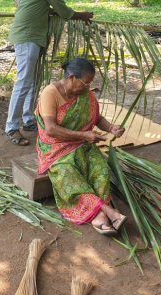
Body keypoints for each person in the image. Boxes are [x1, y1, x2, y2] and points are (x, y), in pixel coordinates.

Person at [35, 57, 127, 235]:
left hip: (81, 143)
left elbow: (97, 118)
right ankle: (108, 212)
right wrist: (84, 135)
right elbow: (51, 129)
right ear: (71, 78)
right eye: (85, 83)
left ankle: (98, 214)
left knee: (100, 169)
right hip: (55, 147)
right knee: (67, 173)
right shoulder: (50, 93)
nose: (88, 87)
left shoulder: (84, 93)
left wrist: (111, 128)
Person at [6, 0, 94, 146]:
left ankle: (28, 120)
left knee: (32, 81)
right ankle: (11, 127)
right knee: (23, 82)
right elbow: (64, 11)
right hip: (28, 35)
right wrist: (81, 15)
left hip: (31, 36)